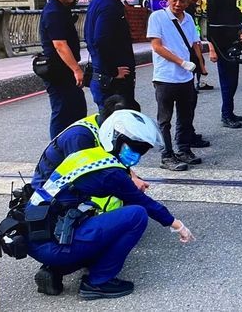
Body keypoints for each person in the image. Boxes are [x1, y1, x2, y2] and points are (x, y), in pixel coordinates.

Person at [27, 109, 194, 300]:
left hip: (38, 234)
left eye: (142, 150)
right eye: (133, 147)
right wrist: (177, 225)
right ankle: (97, 282)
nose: (137, 154)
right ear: (114, 138)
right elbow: (145, 203)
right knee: (136, 215)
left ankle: (57, 268)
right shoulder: (110, 173)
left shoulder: (90, 155)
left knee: (104, 219)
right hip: (52, 243)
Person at [32, 94, 148, 195]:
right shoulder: (80, 137)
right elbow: (83, 176)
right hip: (50, 190)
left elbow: (113, 157)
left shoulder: (105, 126)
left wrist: (132, 177)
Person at [146, 0, 208, 171]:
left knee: (186, 116)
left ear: (188, 1)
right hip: (165, 77)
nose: (178, 3)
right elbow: (156, 46)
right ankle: (167, 155)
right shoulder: (157, 17)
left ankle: (183, 149)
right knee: (165, 119)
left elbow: (195, 42)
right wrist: (181, 62)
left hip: (186, 78)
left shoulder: (188, 18)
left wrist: (201, 65)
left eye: (182, 0)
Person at [84, 0, 142, 111]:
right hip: (113, 83)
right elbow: (101, 40)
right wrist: (112, 71)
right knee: (119, 127)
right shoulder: (110, 6)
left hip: (105, 78)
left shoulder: (100, 1)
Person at [39, 0, 87, 139]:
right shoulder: (53, 12)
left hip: (65, 70)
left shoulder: (62, 9)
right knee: (62, 112)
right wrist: (76, 69)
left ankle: (74, 148)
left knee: (76, 109)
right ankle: (56, 154)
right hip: (58, 71)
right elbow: (60, 45)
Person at [207, 0, 242, 129]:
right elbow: (208, 33)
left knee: (234, 82)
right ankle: (226, 115)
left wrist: (241, 32)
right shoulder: (215, 12)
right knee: (227, 84)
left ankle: (230, 111)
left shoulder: (233, 10)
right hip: (221, 50)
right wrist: (212, 50)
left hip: (233, 49)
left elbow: (238, 26)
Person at [185, 0, 214, 92]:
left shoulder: (192, 7)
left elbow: (192, 26)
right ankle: (191, 85)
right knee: (194, 61)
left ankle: (196, 83)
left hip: (193, 39)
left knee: (198, 60)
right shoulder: (183, 8)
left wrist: (197, 40)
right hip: (185, 42)